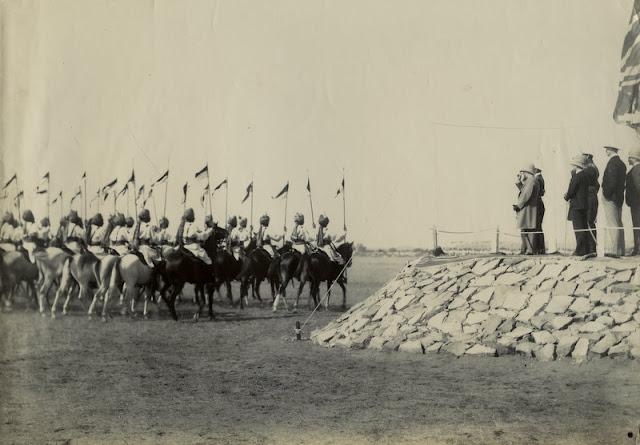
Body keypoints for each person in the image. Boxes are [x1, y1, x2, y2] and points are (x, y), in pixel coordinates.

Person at [601, 146, 627, 256]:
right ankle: (620, 250)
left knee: (613, 224)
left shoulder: (612, 163)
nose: (605, 151)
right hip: (619, 197)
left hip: (611, 198)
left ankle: (615, 251)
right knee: (618, 223)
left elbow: (611, 182)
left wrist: (606, 194)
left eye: (607, 149)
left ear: (610, 150)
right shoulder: (621, 163)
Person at [564, 156, 590, 256]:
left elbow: (571, 190)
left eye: (573, 165)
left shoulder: (577, 177)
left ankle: (579, 250)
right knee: (583, 227)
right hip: (583, 205)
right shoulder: (585, 175)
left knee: (578, 228)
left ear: (577, 166)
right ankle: (586, 249)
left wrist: (566, 196)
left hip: (576, 205)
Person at [513, 164, 539, 255]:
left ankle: (529, 250)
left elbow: (525, 195)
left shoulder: (530, 181)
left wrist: (518, 206)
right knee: (526, 229)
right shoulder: (530, 181)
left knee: (526, 229)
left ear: (526, 172)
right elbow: (524, 191)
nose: (521, 174)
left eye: (522, 172)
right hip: (528, 208)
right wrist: (518, 182)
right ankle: (526, 249)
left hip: (527, 208)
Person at [582, 153, 600, 254]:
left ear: (587, 157)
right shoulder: (594, 169)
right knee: (589, 222)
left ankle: (591, 248)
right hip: (592, 197)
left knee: (589, 222)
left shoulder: (589, 170)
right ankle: (591, 248)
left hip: (589, 198)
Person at [626, 147, 640, 255]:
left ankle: (638, 248)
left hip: (636, 203)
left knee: (637, 225)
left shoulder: (636, 169)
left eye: (630, 157)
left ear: (634, 158)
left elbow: (638, 186)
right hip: (636, 202)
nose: (628, 159)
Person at [533, 167, 546, 254]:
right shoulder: (540, 178)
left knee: (537, 227)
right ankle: (540, 248)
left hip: (537, 204)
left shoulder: (537, 179)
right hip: (539, 204)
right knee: (538, 227)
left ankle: (539, 248)